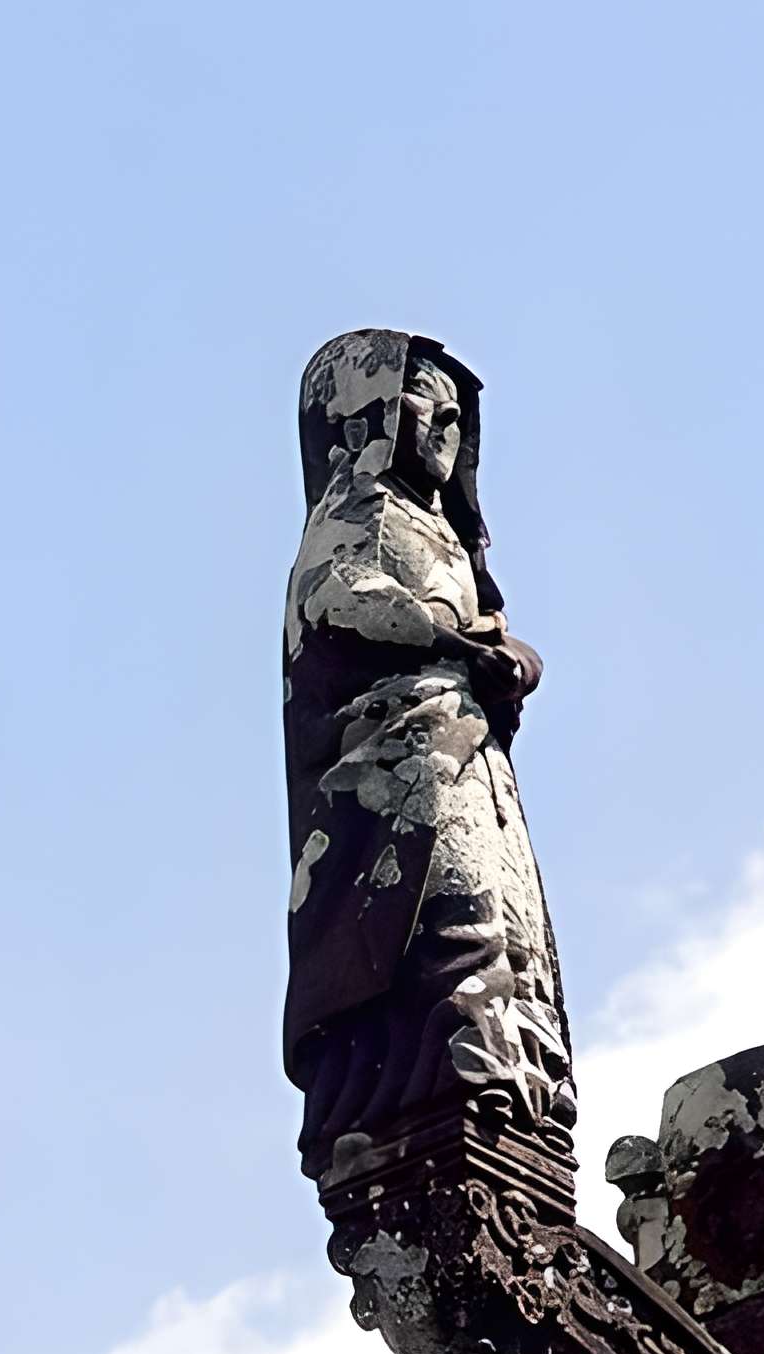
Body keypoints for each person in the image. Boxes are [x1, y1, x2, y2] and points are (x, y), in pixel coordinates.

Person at [281, 329, 574, 1181]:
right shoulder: (361, 508)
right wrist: (449, 637)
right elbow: (337, 595)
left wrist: (508, 657)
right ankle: (447, 1065)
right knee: (446, 912)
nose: (444, 417)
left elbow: (491, 634)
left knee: (506, 924)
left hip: (468, 754)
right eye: (422, 397)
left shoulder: (447, 534)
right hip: (398, 770)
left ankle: (520, 1072)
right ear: (365, 411)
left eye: (457, 408)